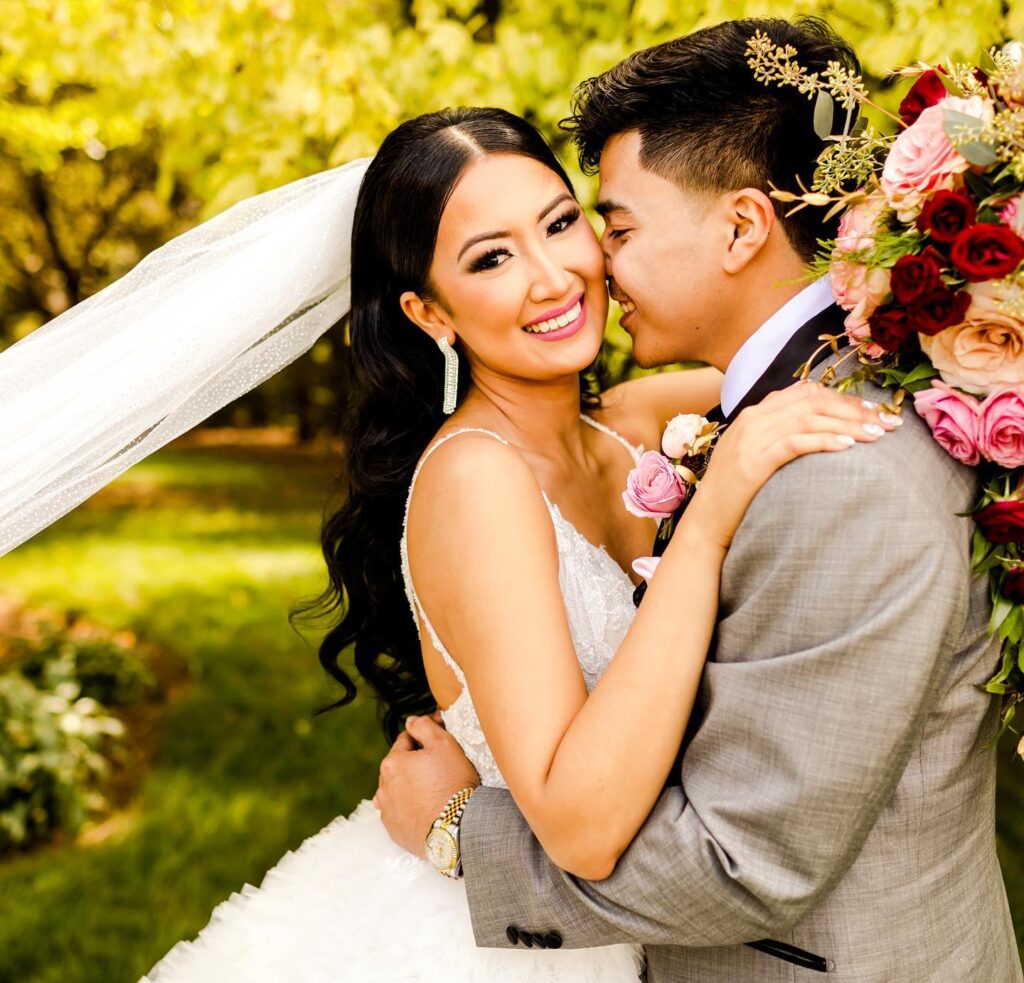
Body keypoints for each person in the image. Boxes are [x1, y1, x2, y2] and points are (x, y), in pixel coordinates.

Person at [138, 101, 896, 981]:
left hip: (663, 926)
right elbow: (581, 823)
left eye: (562, 223)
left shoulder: (646, 420)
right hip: (505, 944)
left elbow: (814, 347)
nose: (554, 277)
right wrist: (712, 515)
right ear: (431, 313)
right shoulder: (476, 480)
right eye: (492, 258)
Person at [374, 18, 1024, 983]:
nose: (582, 265)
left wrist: (459, 829)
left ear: (741, 225)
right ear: (427, 310)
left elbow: (742, 856)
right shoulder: (818, 393)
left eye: (601, 226)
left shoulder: (835, 458)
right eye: (491, 256)